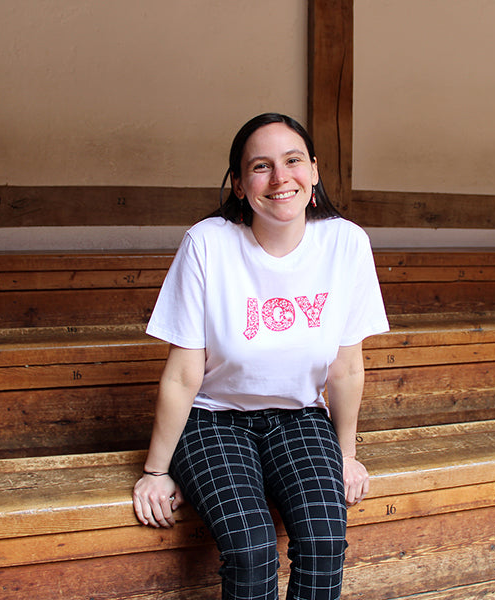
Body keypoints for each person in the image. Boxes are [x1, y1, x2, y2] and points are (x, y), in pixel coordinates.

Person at [133, 112, 389, 600]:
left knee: (325, 540)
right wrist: (156, 471)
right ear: (238, 183)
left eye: (293, 161)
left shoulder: (345, 242)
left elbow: (346, 366)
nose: (280, 178)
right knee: (251, 548)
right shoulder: (207, 243)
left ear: (313, 171)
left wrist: (347, 455)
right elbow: (184, 373)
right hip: (213, 420)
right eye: (260, 166)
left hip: (300, 417)